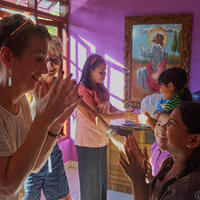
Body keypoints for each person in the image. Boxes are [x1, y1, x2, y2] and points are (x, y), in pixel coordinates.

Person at [0, 14, 80, 200]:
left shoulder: (20, 102)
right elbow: (8, 184)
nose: (45, 69)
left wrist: (55, 123)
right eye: (39, 59)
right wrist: (43, 120)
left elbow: (33, 165)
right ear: (8, 56)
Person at [75, 54, 137, 200]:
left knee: (101, 181)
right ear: (91, 70)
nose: (104, 75)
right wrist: (122, 116)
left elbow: (108, 107)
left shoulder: (100, 87)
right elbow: (96, 116)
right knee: (90, 185)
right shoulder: (83, 89)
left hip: (101, 139)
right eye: (101, 72)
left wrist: (123, 112)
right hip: (87, 142)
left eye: (105, 71)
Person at [120, 101, 200, 200]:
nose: (162, 127)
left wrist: (137, 181)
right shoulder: (169, 163)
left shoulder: (187, 189)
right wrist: (142, 176)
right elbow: (154, 193)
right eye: (160, 123)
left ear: (193, 140)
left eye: (171, 123)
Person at [24, 36, 71, 200]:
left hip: (52, 151)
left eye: (56, 59)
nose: (51, 65)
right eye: (46, 59)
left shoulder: (60, 87)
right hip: (28, 154)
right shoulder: (27, 87)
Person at [145, 67, 192, 178]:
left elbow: (165, 132)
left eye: (161, 86)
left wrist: (148, 120)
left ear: (170, 86)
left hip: (172, 155)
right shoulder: (175, 101)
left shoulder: (175, 107)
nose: (160, 90)